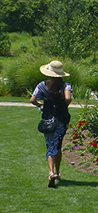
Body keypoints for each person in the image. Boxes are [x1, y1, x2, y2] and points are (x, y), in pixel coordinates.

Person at [30, 60, 72, 188]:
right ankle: (58, 172)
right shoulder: (65, 85)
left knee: (50, 146)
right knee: (58, 144)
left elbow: (32, 99)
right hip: (61, 119)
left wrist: (40, 105)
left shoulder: (42, 85)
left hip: (47, 119)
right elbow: (68, 98)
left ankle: (51, 172)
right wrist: (63, 106)